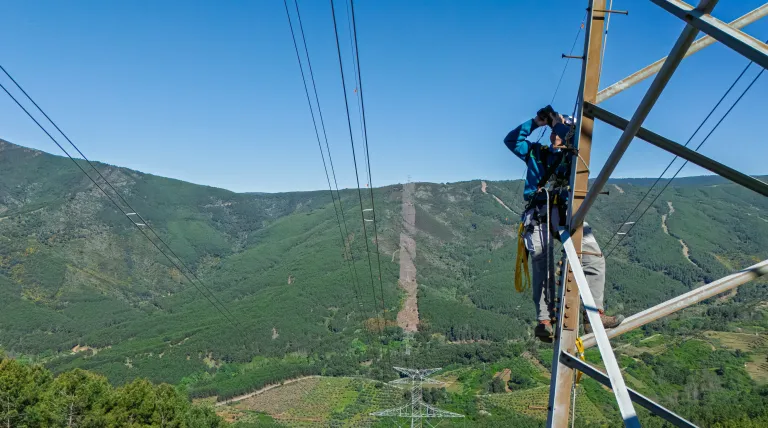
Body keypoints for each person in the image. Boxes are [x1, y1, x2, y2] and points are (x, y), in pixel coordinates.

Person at [504, 106, 624, 342]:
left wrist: (556, 122)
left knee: (594, 259)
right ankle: (545, 321)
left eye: (561, 132)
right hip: (539, 212)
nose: (555, 135)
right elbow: (511, 140)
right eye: (554, 132)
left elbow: (575, 140)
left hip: (564, 211)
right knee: (542, 263)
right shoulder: (536, 153)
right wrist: (537, 122)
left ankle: (594, 316)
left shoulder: (573, 158)